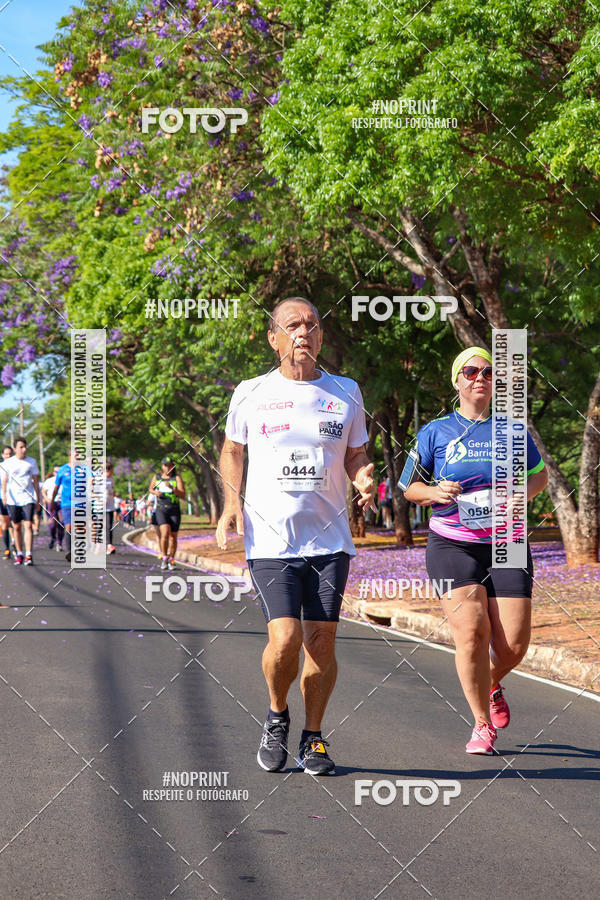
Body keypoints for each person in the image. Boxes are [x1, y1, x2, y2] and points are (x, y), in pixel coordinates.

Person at [216, 297, 376, 775]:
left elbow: (356, 453)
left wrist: (363, 477)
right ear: (274, 338)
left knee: (321, 643)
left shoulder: (345, 391)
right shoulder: (251, 392)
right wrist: (231, 506)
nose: (303, 332)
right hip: (271, 539)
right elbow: (233, 450)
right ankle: (276, 713)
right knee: (285, 638)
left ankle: (313, 736)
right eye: (292, 325)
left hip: (330, 541)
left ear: (321, 337)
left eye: (311, 325)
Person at [404, 347, 548, 755]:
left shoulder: (512, 431)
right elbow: (409, 487)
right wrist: (435, 492)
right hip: (452, 543)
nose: (479, 378)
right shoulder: (435, 432)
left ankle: (491, 681)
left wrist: (521, 495)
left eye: (487, 372)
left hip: (507, 543)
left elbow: (539, 476)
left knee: (513, 647)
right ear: (457, 381)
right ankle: (482, 724)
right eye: (470, 371)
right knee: (471, 632)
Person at [0, 437, 41, 566]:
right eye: (21, 447)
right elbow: (4, 481)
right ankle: (19, 554)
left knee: (28, 525)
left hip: (28, 497)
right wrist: (4, 496)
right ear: (15, 449)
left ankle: (29, 554)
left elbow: (36, 481)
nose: (24, 449)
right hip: (13, 499)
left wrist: (38, 498)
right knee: (16, 527)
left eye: (25, 446)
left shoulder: (32, 462)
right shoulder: (8, 463)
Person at [51, 450, 92, 563]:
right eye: (75, 455)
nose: (78, 457)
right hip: (66, 503)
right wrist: (52, 501)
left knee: (80, 527)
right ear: (70, 456)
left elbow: (91, 479)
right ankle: (70, 551)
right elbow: (56, 487)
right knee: (68, 526)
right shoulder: (62, 470)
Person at [149, 459, 185, 570]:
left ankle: (172, 559)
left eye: (170, 466)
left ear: (173, 466)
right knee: (164, 534)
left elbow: (182, 494)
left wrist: (172, 488)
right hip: (161, 509)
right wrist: (155, 492)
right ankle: (164, 557)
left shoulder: (176, 478)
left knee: (173, 537)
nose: (168, 468)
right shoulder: (157, 477)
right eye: (165, 465)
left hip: (174, 510)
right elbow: (151, 489)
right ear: (162, 466)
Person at [41, 465, 64, 552]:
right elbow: (43, 491)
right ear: (53, 472)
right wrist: (46, 499)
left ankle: (59, 543)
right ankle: (53, 537)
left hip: (62, 502)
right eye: (55, 471)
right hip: (51, 503)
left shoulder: (65, 480)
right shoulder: (49, 481)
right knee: (52, 523)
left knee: (61, 522)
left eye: (59, 472)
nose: (57, 473)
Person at [0, 445, 15, 559]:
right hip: (3, 498)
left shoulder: (17, 465)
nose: (8, 456)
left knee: (15, 523)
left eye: (10, 454)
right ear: (2, 455)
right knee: (5, 522)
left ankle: (15, 542)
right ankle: (7, 549)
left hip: (16, 498)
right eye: (6, 454)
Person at [105, 462, 116, 554]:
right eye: (111, 471)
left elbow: (112, 490)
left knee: (109, 526)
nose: (112, 473)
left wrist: (112, 493)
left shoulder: (112, 479)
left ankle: (109, 545)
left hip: (109, 506)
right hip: (99, 506)